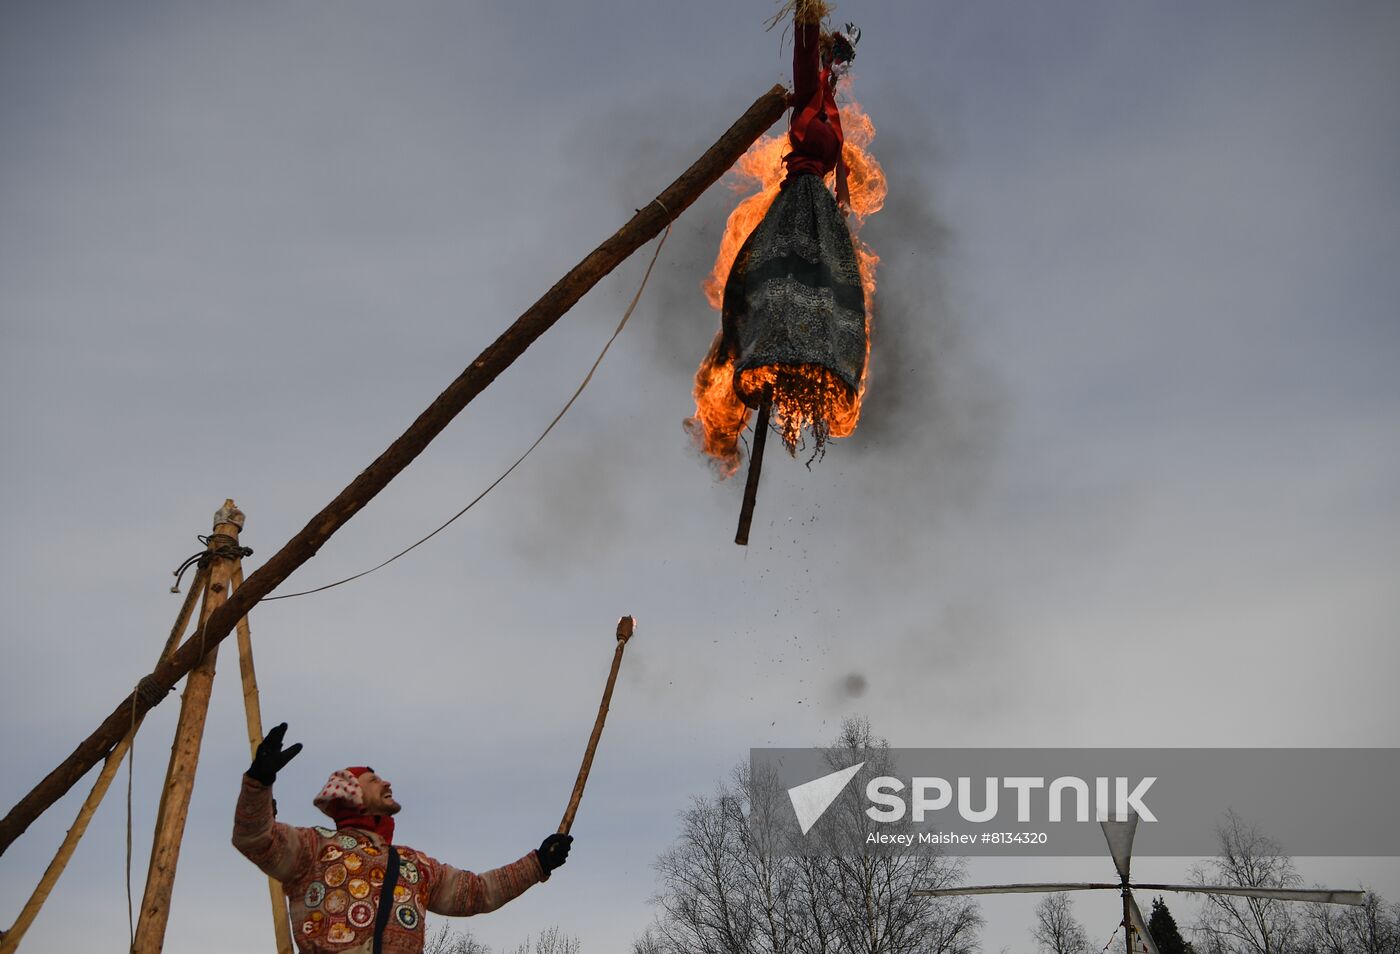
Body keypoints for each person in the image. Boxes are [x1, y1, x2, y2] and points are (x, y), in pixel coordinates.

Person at [233, 723, 571, 953]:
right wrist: (258, 784)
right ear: (350, 793)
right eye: (373, 779)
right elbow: (254, 837)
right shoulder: (315, 849)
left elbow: (477, 893)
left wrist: (537, 863)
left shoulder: (414, 865)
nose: (387, 783)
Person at [719, 0, 865, 452]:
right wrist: (809, 17)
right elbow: (804, 60)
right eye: (833, 60)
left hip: (819, 207)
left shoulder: (832, 110)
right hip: (797, 197)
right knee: (781, 278)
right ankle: (767, 338)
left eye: (838, 63)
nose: (836, 68)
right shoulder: (807, 96)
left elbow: (837, 160)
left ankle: (816, 350)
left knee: (823, 285)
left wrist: (842, 204)